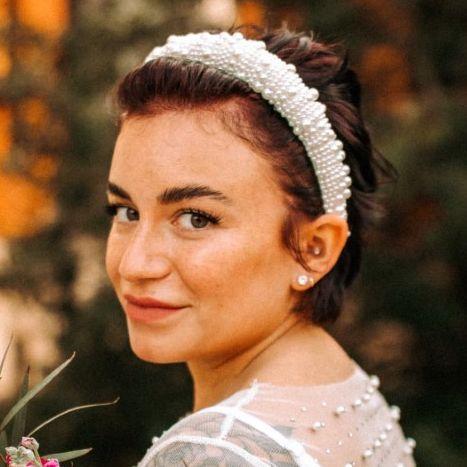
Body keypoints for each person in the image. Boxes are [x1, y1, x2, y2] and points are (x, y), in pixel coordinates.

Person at [105, 25, 417, 466]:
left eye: (196, 218)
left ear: (314, 248)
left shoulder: (214, 454)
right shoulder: (341, 391)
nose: (135, 265)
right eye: (126, 211)